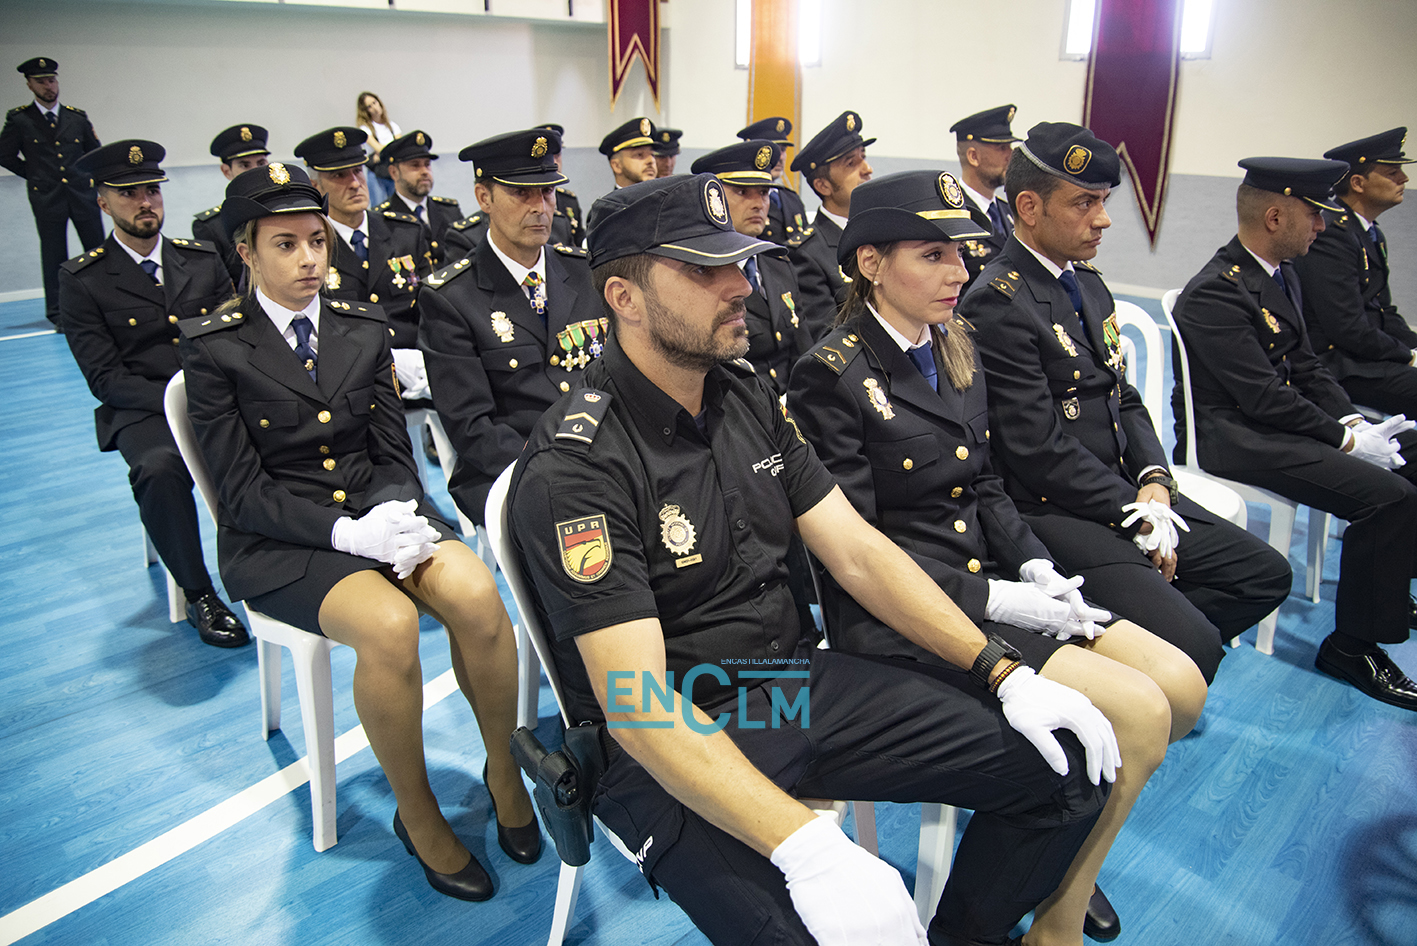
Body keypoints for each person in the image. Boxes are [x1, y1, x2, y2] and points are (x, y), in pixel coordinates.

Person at [509, 172, 1122, 946]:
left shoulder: (742, 396)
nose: (741, 283)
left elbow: (858, 554)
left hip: (783, 685)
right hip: (667, 727)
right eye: (704, 269)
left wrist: (999, 669)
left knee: (1067, 771)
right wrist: (808, 847)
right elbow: (635, 701)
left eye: (737, 259)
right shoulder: (579, 464)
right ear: (624, 298)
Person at [790, 168, 1210, 945]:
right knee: (1142, 711)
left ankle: (1061, 858)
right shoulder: (830, 374)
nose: (958, 272)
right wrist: (996, 600)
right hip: (909, 617)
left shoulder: (953, 345)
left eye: (961, 254)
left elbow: (983, 482)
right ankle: (1055, 917)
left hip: (994, 582)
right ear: (870, 264)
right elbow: (857, 548)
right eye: (932, 256)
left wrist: (1037, 565)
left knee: (1180, 685)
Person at [178, 162, 541, 899]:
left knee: (476, 594)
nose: (310, 259)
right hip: (283, 543)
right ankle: (419, 816)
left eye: (317, 240)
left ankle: (504, 771)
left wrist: (401, 514)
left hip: (380, 513)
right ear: (245, 251)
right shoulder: (215, 347)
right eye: (286, 244)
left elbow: (389, 452)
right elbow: (240, 493)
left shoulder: (361, 327)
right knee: (386, 625)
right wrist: (349, 535)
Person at [960, 123, 1292, 687]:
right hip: (1056, 508)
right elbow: (1038, 451)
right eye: (1084, 203)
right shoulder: (999, 301)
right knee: (1198, 649)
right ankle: (1140, 667)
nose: (1104, 219)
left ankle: (1140, 654)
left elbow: (1123, 397)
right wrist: (1133, 516)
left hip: (1126, 492)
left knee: (1264, 575)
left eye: (1104, 201)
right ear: (1029, 207)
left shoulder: (1086, 283)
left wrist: (1156, 483)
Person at [1170, 156, 1417, 711]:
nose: (1324, 227)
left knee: (1409, 453)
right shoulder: (1216, 290)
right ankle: (1352, 647)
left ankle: (1390, 581)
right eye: (1315, 215)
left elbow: (1306, 366)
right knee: (1390, 499)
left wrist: (1353, 420)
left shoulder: (1276, 276)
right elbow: (1263, 396)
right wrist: (1347, 440)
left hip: (1274, 428)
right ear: (1276, 217)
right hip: (1237, 440)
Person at [58, 139, 247, 647]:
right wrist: (178, 404)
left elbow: (237, 335)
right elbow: (105, 377)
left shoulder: (201, 259)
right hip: (143, 408)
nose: (145, 203)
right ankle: (198, 592)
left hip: (215, 396)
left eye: (152, 191)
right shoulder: (84, 279)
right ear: (102, 203)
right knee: (159, 470)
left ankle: (279, 560)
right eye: (129, 194)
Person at [418, 128, 602, 529]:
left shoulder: (583, 271)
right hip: (513, 469)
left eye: (548, 193)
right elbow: (473, 428)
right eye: (522, 193)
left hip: (603, 454)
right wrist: (557, 467)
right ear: (484, 198)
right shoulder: (452, 297)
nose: (540, 207)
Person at [294, 126, 431, 401]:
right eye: (339, 175)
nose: (355, 182)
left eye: (358, 171)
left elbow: (431, 307)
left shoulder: (405, 232)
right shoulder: (310, 247)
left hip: (419, 372)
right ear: (315, 186)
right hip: (350, 383)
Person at [1293, 128, 1417, 417]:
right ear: (1358, 183)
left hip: (1367, 357)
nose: (1404, 179)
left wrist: (1413, 347)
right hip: (1341, 364)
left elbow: (1384, 311)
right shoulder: (1331, 234)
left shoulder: (1369, 233)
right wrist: (1408, 356)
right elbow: (1347, 328)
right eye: (1392, 172)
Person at [690, 139, 809, 398]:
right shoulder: (700, 273)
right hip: (736, 406)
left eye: (764, 193)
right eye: (743, 192)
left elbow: (802, 349)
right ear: (713, 200)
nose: (758, 204)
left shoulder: (778, 264)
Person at [0, 57, 104, 326]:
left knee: (98, 250)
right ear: (29, 85)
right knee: (54, 254)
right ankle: (59, 314)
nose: (48, 86)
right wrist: (35, 175)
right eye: (41, 82)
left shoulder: (75, 117)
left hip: (82, 193)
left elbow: (94, 152)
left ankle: (106, 304)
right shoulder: (20, 120)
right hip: (47, 196)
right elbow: (5, 155)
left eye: (51, 80)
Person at [789, 110, 874, 340]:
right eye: (851, 163)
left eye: (864, 156)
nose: (867, 169)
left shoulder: (881, 236)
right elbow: (827, 339)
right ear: (823, 185)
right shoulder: (807, 253)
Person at [949, 104, 1020, 292]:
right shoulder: (951, 213)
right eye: (1001, 148)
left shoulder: (1010, 212)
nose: (1010, 155)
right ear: (973, 156)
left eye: (1010, 147)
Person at [192, 123, 271, 285]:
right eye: (244, 165)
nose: (255, 171)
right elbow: (219, 286)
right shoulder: (211, 226)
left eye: (261, 163)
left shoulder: (286, 211)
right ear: (227, 171)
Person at [372, 129, 463, 268]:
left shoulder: (449, 211)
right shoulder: (381, 220)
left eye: (427, 164)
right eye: (415, 165)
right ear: (394, 172)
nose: (425, 171)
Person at [737, 116, 809, 245]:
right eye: (773, 150)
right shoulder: (740, 200)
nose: (780, 157)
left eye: (783, 150)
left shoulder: (792, 199)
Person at [355, 91, 400, 205]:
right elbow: (380, 148)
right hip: (376, 174)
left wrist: (383, 152)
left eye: (375, 103)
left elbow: (399, 148)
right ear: (365, 111)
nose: (374, 108)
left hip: (393, 171)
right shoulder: (365, 129)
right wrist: (386, 150)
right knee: (379, 206)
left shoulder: (393, 126)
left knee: (397, 205)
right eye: (369, 106)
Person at [598, 117, 658, 188]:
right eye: (639, 155)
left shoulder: (664, 199)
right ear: (616, 165)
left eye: (653, 155)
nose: (651, 161)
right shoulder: (611, 199)